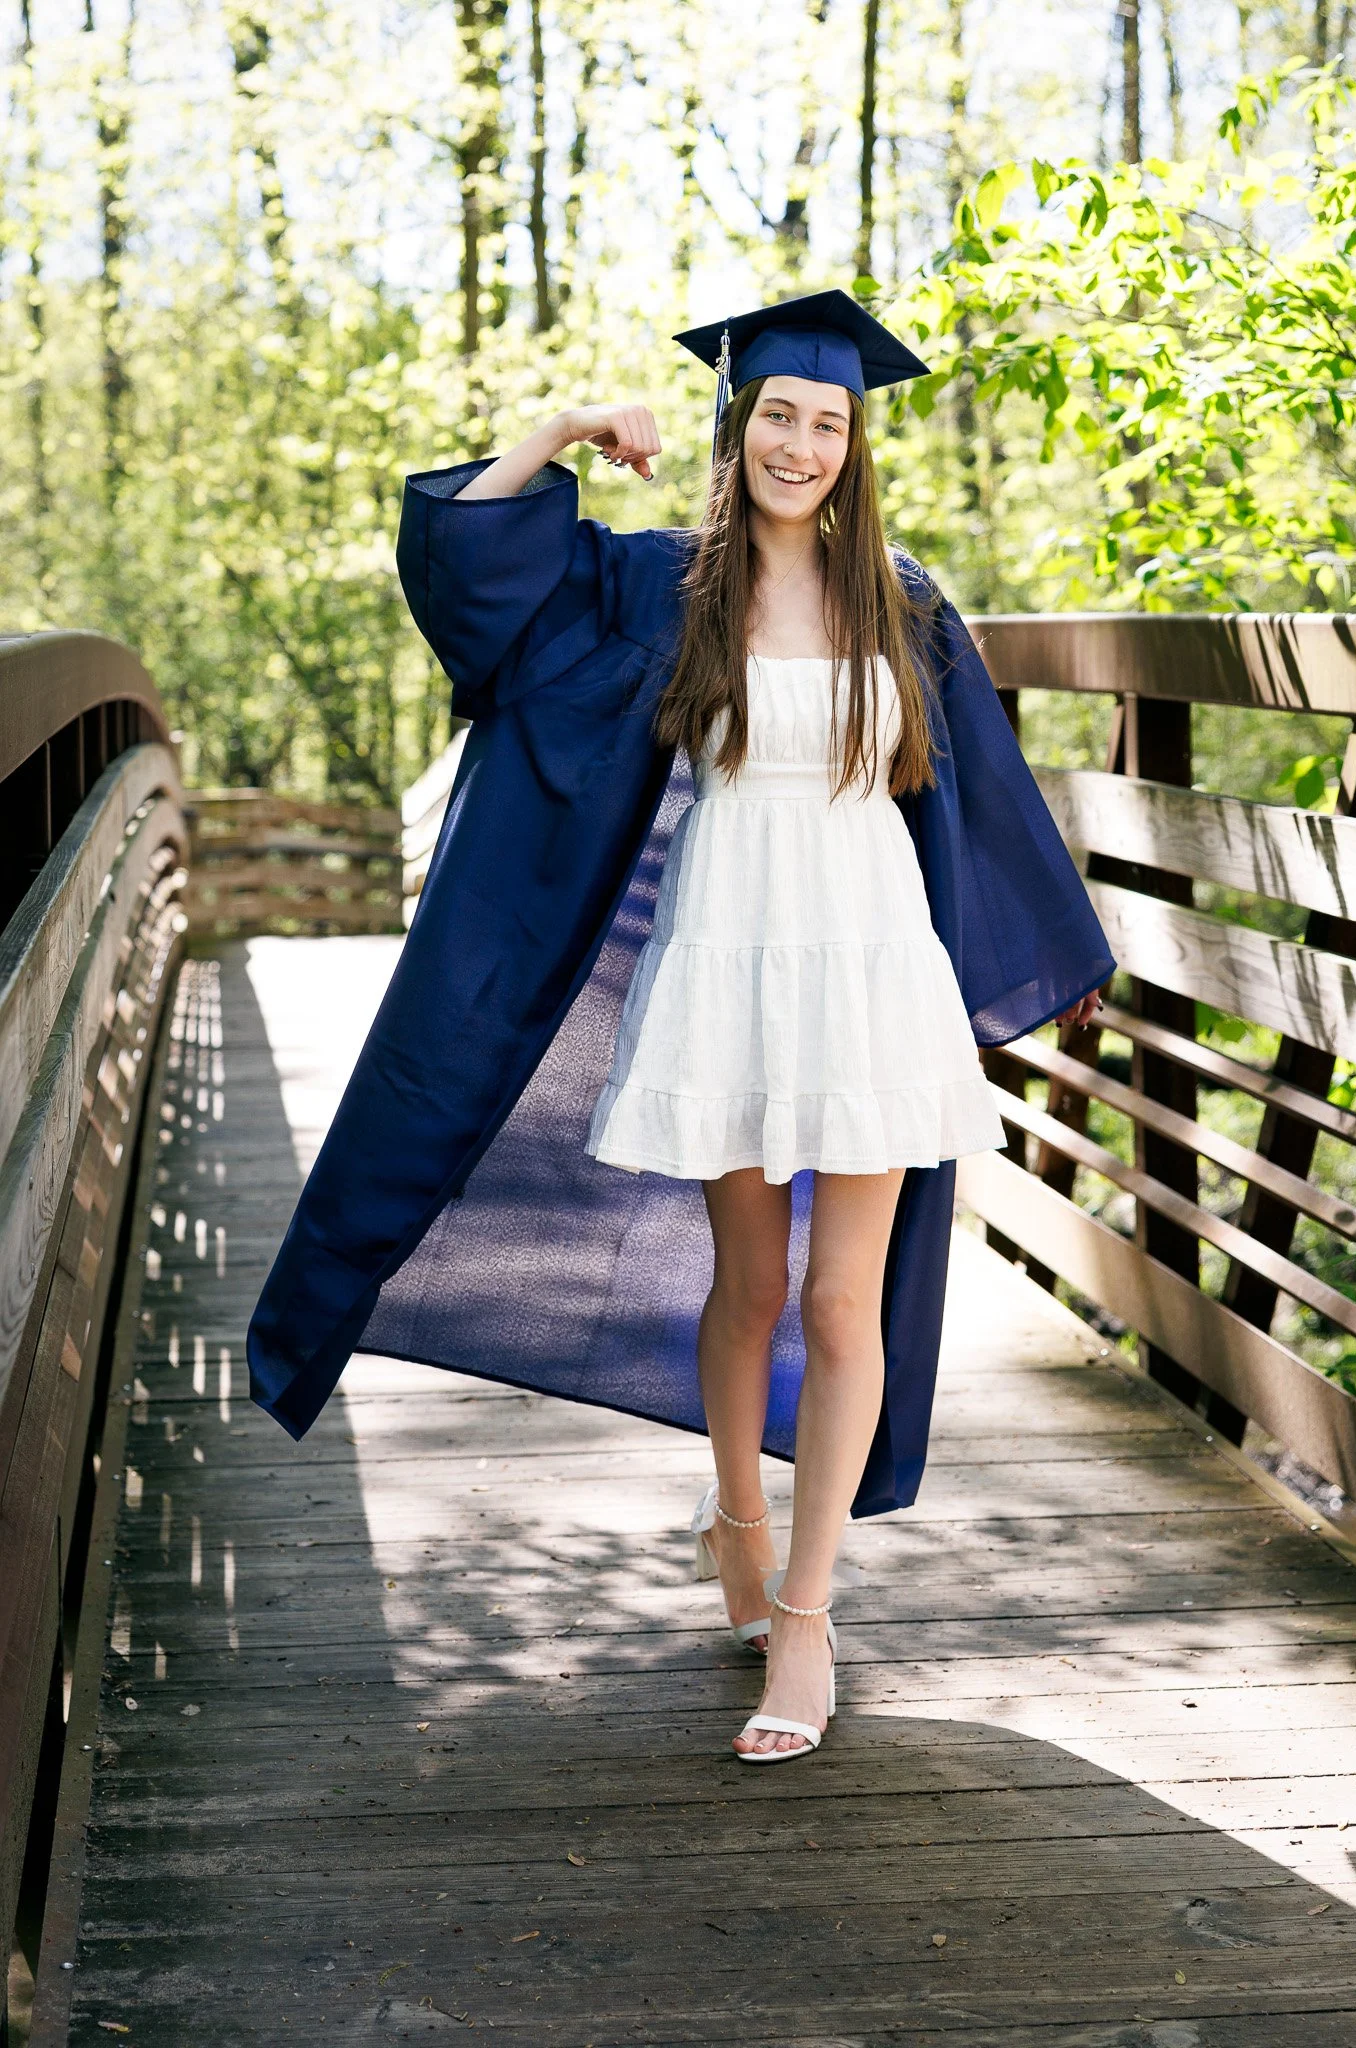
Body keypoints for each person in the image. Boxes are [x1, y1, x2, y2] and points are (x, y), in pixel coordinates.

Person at [246, 291, 1113, 1766]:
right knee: (750, 1287)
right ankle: (738, 1518)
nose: (801, 445)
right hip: (726, 963)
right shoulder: (659, 586)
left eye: (828, 422)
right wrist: (564, 428)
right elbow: (473, 571)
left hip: (869, 970)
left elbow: (985, 800)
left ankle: (810, 1614)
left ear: (855, 444)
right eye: (777, 413)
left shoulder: (906, 604)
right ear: (737, 421)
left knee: (845, 1303)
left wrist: (1060, 946)